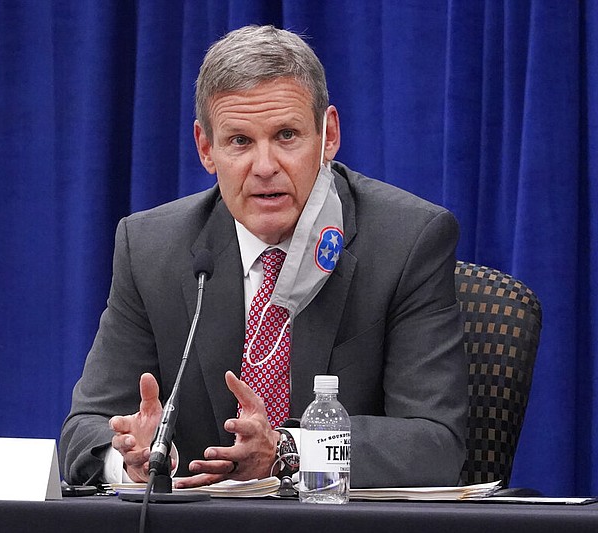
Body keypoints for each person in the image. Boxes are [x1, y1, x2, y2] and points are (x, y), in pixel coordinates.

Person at [59, 25, 467, 489]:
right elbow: (85, 429)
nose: (266, 166)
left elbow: (436, 443)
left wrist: (289, 452)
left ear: (328, 135)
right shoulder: (151, 247)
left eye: (287, 135)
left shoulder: (406, 241)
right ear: (206, 148)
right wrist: (132, 459)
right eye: (240, 141)